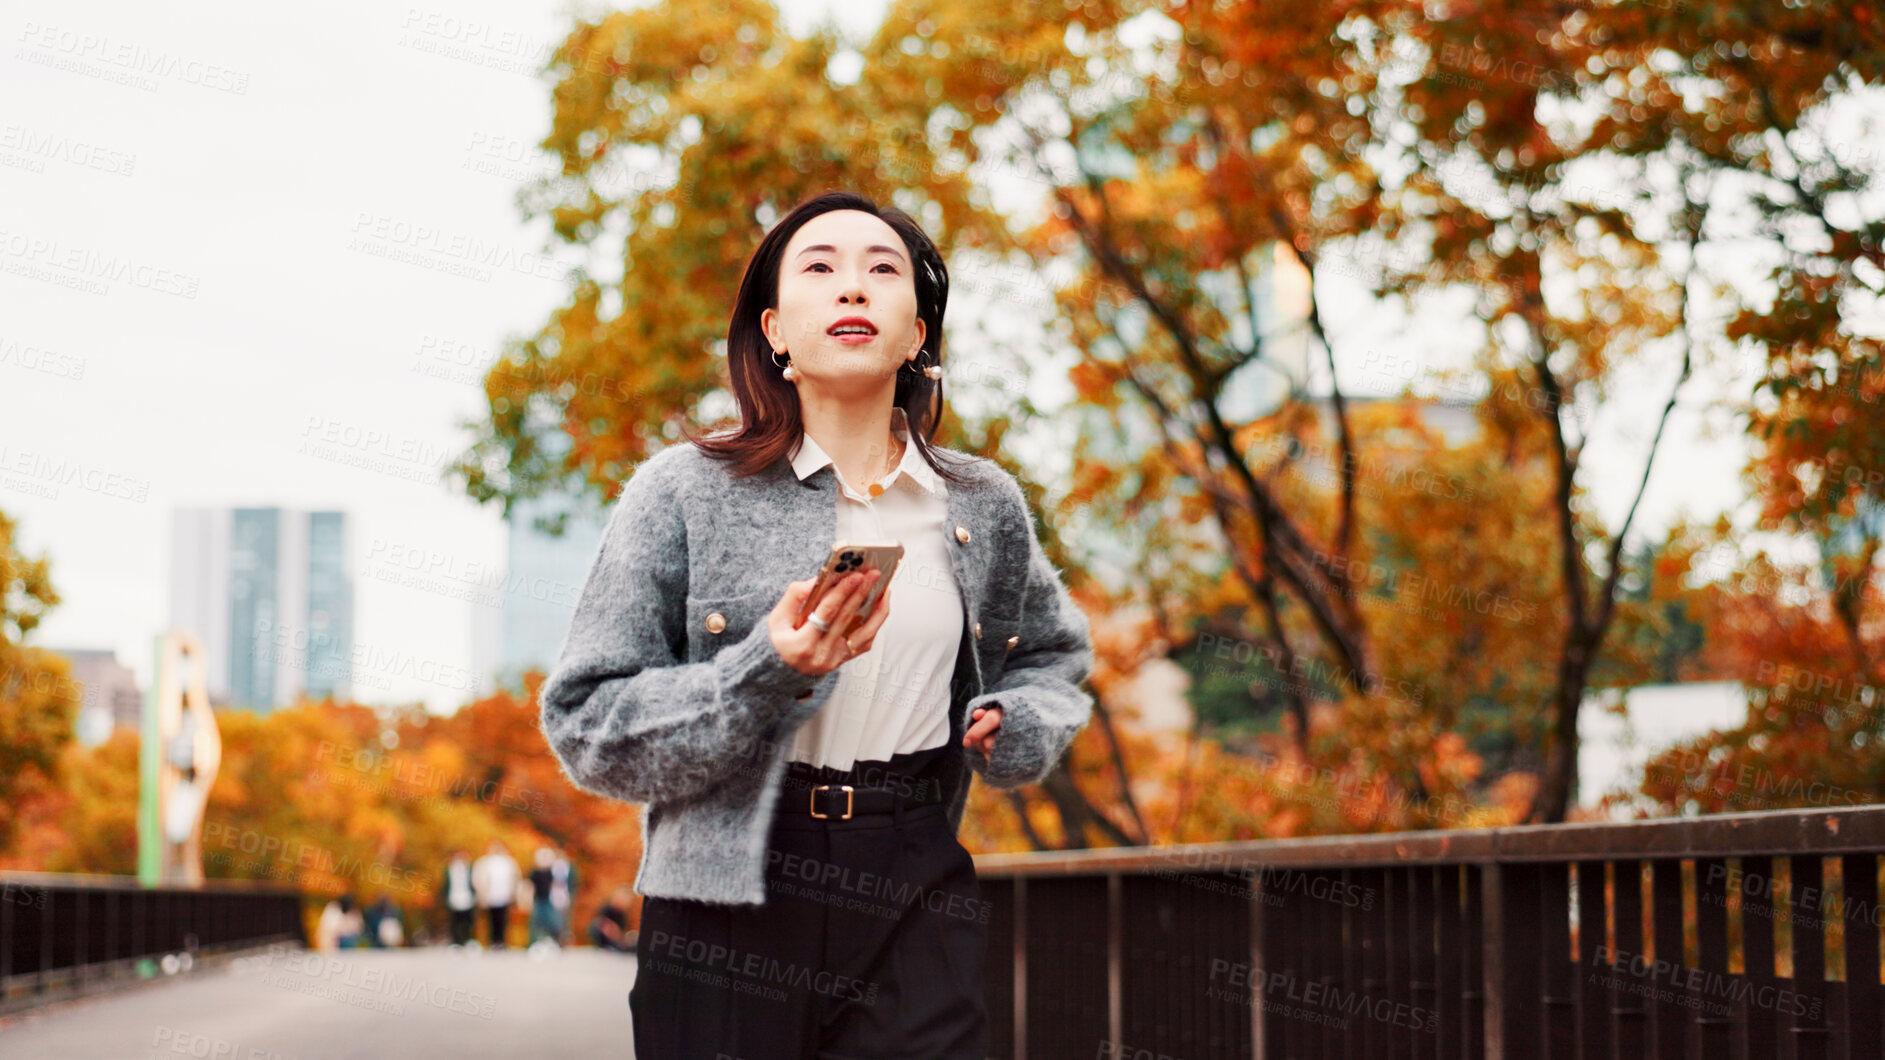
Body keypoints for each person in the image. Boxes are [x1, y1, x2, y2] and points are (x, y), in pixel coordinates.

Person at [538, 191, 1095, 1059]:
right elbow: (586, 724)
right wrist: (765, 669)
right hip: (726, 899)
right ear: (773, 331)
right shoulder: (681, 490)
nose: (853, 289)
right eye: (820, 268)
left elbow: (1053, 658)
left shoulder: (982, 504)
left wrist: (1017, 721)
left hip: (913, 871)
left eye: (882, 271)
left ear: (917, 335)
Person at [527, 845, 579, 947]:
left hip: (553, 900)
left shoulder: (556, 870)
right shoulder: (535, 872)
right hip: (540, 899)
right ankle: (535, 942)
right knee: (538, 923)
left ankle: (558, 941)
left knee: (556, 922)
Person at [471, 841, 519, 949]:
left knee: (503, 919)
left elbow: (515, 878)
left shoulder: (509, 862)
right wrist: (481, 892)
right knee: (490, 920)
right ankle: (492, 941)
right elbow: (478, 878)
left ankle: (501, 941)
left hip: (504, 895)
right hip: (489, 896)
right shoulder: (484, 862)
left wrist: (513, 893)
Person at [439, 849, 476, 947]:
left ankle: (468, 940)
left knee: (467, 922)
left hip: (467, 898)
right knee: (455, 922)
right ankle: (456, 941)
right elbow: (445, 885)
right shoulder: (449, 870)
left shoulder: (470, 870)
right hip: (454, 898)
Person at [588, 885, 635, 953]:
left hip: (614, 938)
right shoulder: (607, 909)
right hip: (604, 935)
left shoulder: (622, 915)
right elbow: (603, 924)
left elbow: (621, 931)